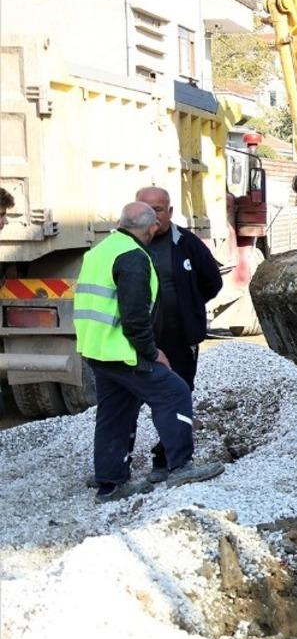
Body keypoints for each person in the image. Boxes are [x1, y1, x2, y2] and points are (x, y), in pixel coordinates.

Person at [74, 202, 225, 502]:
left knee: (114, 413)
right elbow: (134, 317)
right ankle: (180, 466)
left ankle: (110, 482)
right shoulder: (133, 258)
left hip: (97, 349)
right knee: (175, 393)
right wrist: (152, 352)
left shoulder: (102, 250)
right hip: (123, 352)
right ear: (150, 228)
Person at [135, 186, 223, 483]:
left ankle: (167, 460)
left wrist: (189, 306)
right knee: (130, 400)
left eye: (157, 209)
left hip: (179, 338)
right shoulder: (128, 245)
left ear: (170, 212)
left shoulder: (186, 243)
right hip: (138, 340)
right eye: (145, 209)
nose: (152, 216)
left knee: (179, 394)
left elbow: (212, 281)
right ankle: (114, 466)